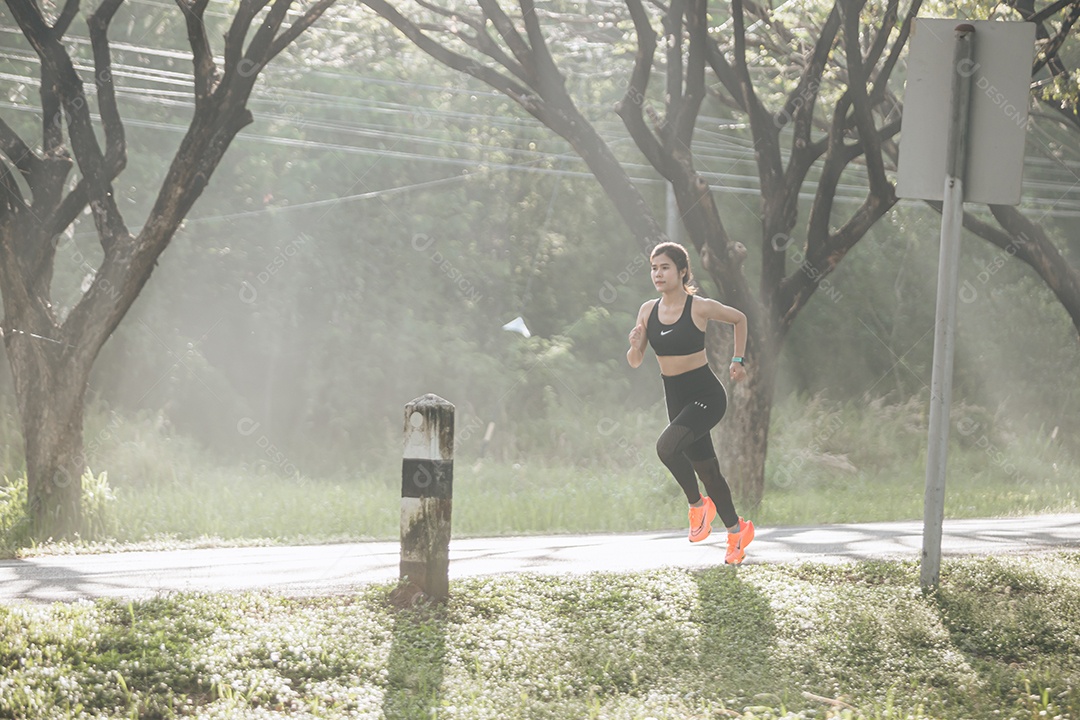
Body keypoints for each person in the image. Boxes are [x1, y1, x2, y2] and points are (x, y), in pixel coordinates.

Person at [626, 241, 755, 564]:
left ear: (682, 271)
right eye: (654, 268)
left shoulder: (699, 307)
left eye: (665, 267)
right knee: (709, 472)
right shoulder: (647, 311)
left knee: (666, 448)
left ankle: (698, 506)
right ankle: (737, 531)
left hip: (706, 397)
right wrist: (634, 344)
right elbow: (635, 361)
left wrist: (737, 359)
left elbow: (739, 318)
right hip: (677, 399)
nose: (658, 273)